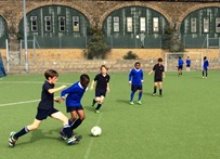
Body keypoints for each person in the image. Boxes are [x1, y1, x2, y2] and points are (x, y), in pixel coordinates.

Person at [8, 69, 78, 147]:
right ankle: (14, 136)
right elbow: (50, 91)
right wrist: (61, 87)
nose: (57, 80)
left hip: (50, 108)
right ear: (49, 78)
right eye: (55, 78)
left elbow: (47, 95)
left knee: (65, 119)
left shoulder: (51, 84)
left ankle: (69, 137)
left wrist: (55, 99)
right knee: (34, 126)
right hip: (43, 109)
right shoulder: (46, 84)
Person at [57, 74, 90, 140]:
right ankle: (64, 130)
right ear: (80, 81)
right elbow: (64, 91)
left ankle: (70, 129)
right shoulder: (75, 87)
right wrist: (63, 98)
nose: (86, 85)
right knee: (74, 117)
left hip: (77, 102)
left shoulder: (85, 86)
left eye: (87, 83)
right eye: (85, 83)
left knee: (82, 117)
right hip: (70, 102)